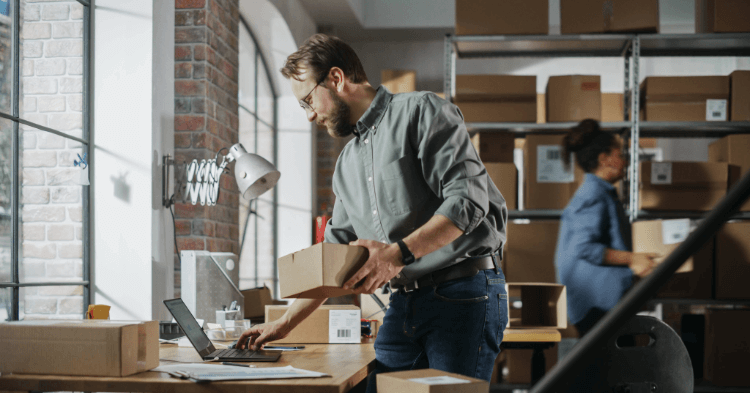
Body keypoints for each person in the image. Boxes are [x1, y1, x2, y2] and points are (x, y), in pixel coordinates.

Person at [236, 34, 508, 391]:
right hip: (406, 301)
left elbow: (469, 202)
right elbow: (332, 258)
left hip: (463, 292)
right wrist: (283, 324)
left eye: (307, 101)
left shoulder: (421, 110)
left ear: (336, 79)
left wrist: (397, 255)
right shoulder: (346, 164)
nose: (309, 116)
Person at [555, 119, 659, 338]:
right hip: (596, 307)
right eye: (619, 154)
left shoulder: (602, 193)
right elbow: (585, 248)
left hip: (601, 304)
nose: (624, 159)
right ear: (605, 160)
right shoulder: (593, 195)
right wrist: (632, 258)